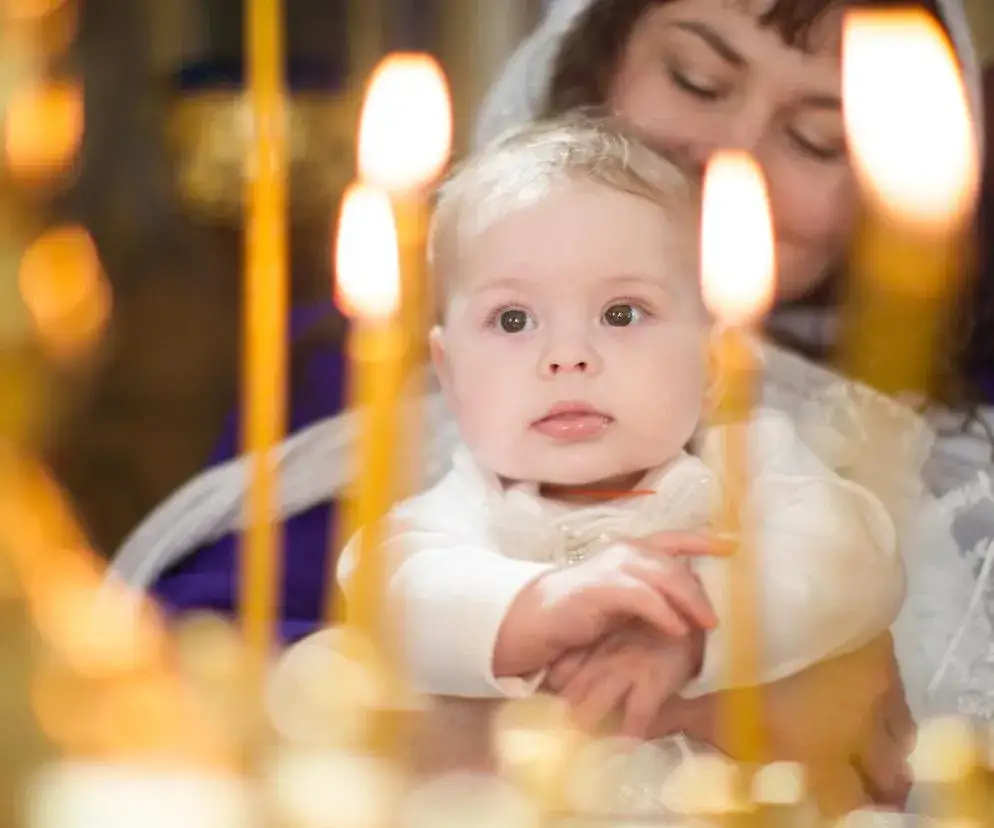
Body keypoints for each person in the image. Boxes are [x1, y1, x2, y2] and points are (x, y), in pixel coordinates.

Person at [107, 0, 993, 811]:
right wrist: (554, 638)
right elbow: (232, 647)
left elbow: (845, 551)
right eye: (697, 79)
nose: (733, 154)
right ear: (593, 60)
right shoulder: (359, 374)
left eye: (818, 137)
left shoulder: (861, 447)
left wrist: (695, 641)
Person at [268, 115, 907, 815]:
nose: (567, 355)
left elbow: (850, 557)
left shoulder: (747, 465)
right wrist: (532, 608)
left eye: (622, 313)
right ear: (449, 375)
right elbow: (386, 587)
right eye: (513, 320)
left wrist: (691, 638)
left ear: (713, 361)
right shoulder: (464, 510)